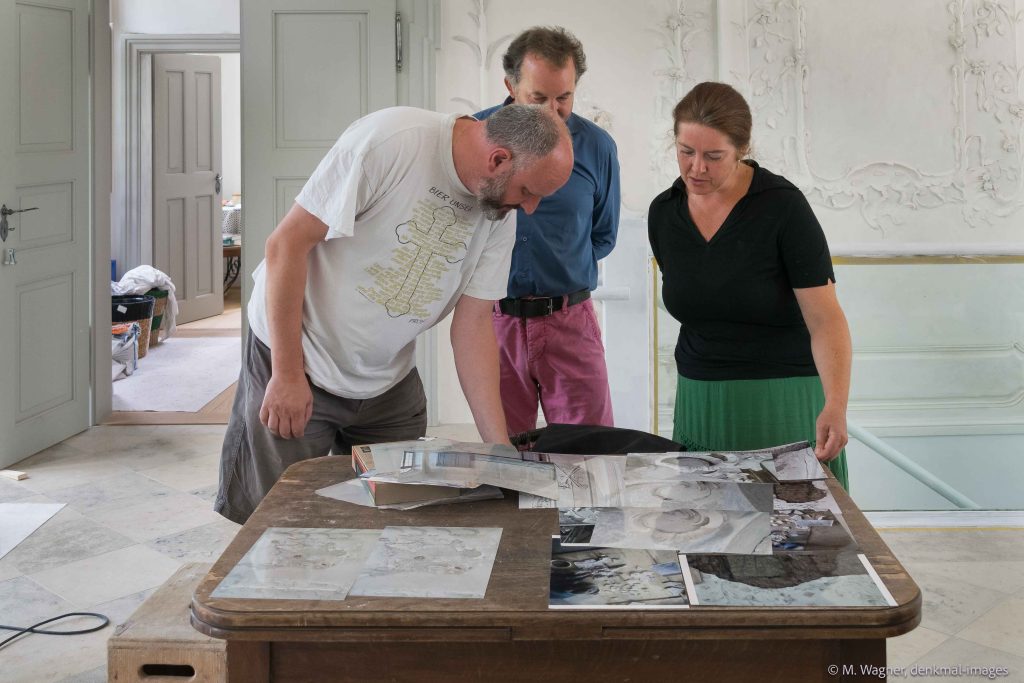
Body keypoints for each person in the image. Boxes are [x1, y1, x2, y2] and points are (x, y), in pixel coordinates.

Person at [215, 104, 573, 524]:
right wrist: (287, 374)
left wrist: (500, 451)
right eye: (529, 192)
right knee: (278, 518)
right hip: (300, 358)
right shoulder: (392, 142)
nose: (529, 208)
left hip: (388, 381)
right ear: (498, 160)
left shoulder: (499, 213)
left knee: (396, 518)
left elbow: (473, 323)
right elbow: (285, 245)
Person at [647, 82, 852, 489]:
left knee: (797, 539)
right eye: (686, 151)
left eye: (713, 156)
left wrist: (836, 404)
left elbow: (826, 320)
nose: (696, 168)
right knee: (706, 533)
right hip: (700, 397)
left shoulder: (783, 207)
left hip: (782, 396)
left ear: (741, 149)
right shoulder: (664, 213)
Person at [475, 26, 621, 436]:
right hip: (494, 324)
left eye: (564, 97)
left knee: (591, 458)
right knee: (505, 459)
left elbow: (603, 235)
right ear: (511, 86)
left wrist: (560, 268)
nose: (553, 111)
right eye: (538, 99)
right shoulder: (475, 136)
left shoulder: (598, 147)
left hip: (570, 321)